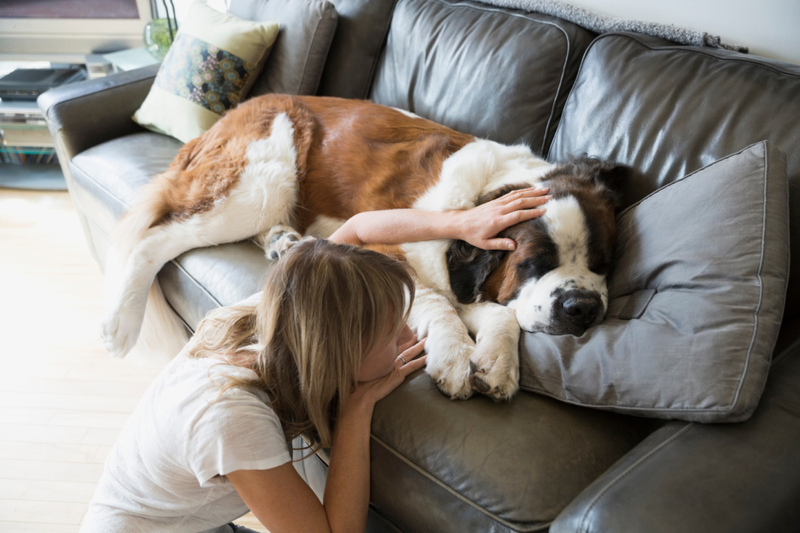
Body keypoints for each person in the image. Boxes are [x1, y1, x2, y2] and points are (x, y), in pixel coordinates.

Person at [80, 187, 551, 533]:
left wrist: (462, 223)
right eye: (393, 334)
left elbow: (361, 229)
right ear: (340, 353)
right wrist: (357, 408)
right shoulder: (232, 416)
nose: (411, 337)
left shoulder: (276, 309)